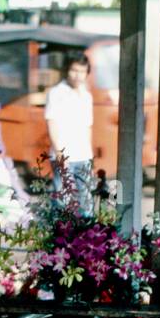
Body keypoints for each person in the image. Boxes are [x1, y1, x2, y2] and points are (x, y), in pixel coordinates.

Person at [45, 53, 94, 214]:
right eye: (74, 70)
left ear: (87, 73)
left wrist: (90, 157)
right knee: (62, 199)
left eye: (82, 71)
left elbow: (88, 127)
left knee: (85, 200)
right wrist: (59, 152)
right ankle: (57, 235)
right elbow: (51, 122)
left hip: (83, 156)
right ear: (67, 70)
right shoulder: (56, 93)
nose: (77, 75)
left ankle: (87, 236)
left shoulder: (87, 96)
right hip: (64, 155)